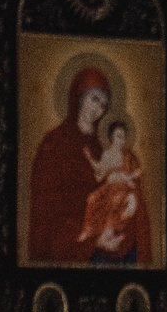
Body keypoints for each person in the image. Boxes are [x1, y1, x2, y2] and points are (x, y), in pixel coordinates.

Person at [25, 63, 114, 264]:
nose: (97, 109)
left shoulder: (100, 148)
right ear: (79, 98)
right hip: (63, 236)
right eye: (94, 99)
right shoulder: (54, 142)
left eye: (102, 104)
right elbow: (47, 204)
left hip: (96, 232)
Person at [79, 115, 150, 263]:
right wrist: (90, 158)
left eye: (123, 137)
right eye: (118, 136)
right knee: (91, 198)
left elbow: (137, 172)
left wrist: (132, 176)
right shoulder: (107, 154)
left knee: (117, 200)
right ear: (111, 136)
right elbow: (99, 175)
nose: (121, 139)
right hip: (108, 187)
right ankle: (88, 230)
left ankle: (109, 232)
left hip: (123, 189)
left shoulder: (128, 155)